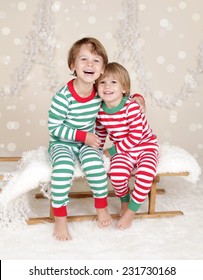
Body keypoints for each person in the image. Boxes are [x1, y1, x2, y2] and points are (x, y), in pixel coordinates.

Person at [48, 38, 145, 241]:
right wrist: (82, 135)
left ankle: (101, 207)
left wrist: (138, 98)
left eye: (96, 60)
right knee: (62, 171)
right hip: (62, 143)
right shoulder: (63, 97)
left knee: (96, 166)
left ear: (102, 69)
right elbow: (54, 127)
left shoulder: (99, 91)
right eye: (83, 59)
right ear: (73, 65)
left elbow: (119, 94)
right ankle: (60, 219)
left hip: (87, 144)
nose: (90, 64)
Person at [95, 62, 159, 230]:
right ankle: (124, 199)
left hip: (145, 146)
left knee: (145, 174)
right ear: (96, 87)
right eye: (102, 82)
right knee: (116, 174)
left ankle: (131, 210)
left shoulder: (131, 106)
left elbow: (136, 136)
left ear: (124, 88)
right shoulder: (100, 111)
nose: (107, 86)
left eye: (113, 82)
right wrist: (98, 150)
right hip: (125, 151)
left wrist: (113, 150)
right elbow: (101, 132)